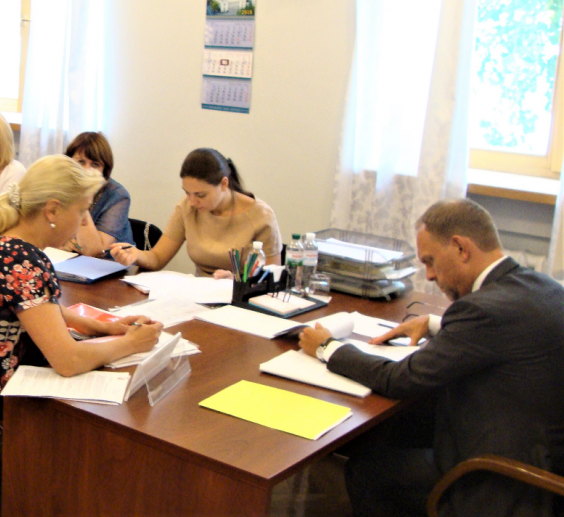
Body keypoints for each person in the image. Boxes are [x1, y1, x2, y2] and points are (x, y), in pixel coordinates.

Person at [298, 199, 564, 517]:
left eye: (431, 261)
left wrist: (328, 347)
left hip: (497, 479)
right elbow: (509, 332)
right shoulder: (542, 286)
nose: (430, 275)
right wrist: (434, 323)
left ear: (460, 248)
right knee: (388, 430)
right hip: (543, 453)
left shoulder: (482, 310)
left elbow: (399, 378)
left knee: (368, 471)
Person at [0, 155, 163, 463]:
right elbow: (68, 360)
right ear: (52, 210)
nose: (83, 221)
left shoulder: (6, 241)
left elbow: (37, 309)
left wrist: (106, 326)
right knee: (93, 442)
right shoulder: (23, 261)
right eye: (82, 210)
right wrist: (132, 343)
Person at [110, 148, 281, 278]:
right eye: (187, 193)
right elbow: (157, 258)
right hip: (199, 298)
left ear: (224, 184)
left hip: (242, 299)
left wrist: (236, 282)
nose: (192, 202)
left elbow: (271, 279)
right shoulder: (187, 208)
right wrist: (136, 254)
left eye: (201, 195)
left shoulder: (260, 215)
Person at [63, 131, 134, 257]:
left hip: (111, 265)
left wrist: (81, 198)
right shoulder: (60, 186)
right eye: (80, 162)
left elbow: (96, 252)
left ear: (104, 170)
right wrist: (61, 244)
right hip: (70, 260)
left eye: (95, 164)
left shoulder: (118, 196)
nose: (86, 170)